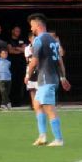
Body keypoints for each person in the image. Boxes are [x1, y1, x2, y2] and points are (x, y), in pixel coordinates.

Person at [25, 13, 70, 146]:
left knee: (49, 108)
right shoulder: (53, 40)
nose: (31, 28)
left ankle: (58, 139)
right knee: (37, 105)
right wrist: (62, 77)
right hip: (51, 78)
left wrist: (27, 75)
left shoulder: (39, 40)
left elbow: (34, 61)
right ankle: (43, 136)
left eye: (32, 25)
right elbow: (60, 61)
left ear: (38, 25)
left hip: (46, 79)